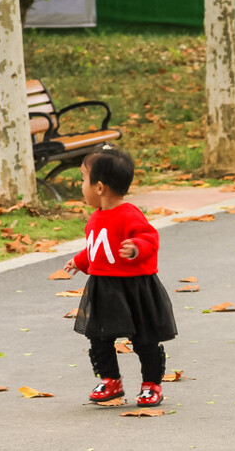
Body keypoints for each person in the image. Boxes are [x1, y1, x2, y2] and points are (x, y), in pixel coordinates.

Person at [65, 145, 176, 407]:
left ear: (100, 187)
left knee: (144, 339)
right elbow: (97, 247)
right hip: (103, 289)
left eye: (83, 179)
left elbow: (150, 237)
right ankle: (110, 380)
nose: (81, 185)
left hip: (135, 288)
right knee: (99, 337)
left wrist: (137, 247)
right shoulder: (95, 218)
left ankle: (151, 384)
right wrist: (79, 260)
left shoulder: (129, 214)